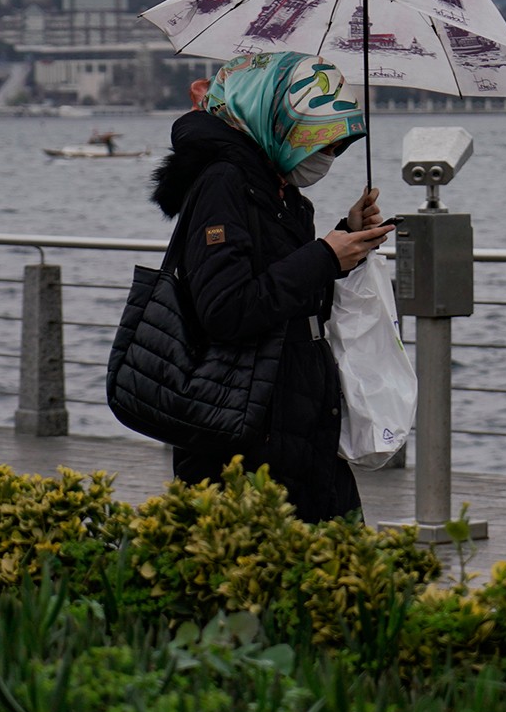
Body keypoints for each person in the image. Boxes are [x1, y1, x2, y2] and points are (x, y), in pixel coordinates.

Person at [149, 52, 391, 522]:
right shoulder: (225, 182)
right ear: (271, 120)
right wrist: (323, 256)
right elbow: (225, 308)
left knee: (333, 571)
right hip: (244, 427)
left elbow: (282, 284)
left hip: (295, 420)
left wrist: (344, 241)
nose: (325, 158)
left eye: (335, 148)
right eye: (315, 142)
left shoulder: (276, 188)